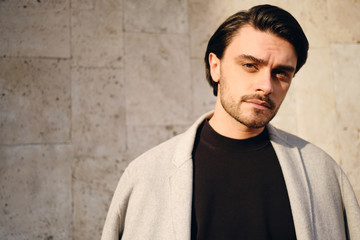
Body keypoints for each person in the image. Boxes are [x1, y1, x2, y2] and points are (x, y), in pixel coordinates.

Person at [101, 4, 360, 240]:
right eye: (250, 65)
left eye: (281, 73)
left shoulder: (324, 175)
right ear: (216, 66)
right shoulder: (146, 176)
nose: (266, 86)